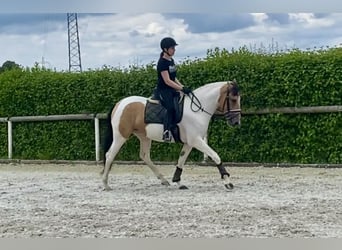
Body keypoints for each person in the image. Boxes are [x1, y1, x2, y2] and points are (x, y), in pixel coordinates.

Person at [155, 37, 191, 142]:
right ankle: (166, 131)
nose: (174, 50)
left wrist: (182, 87)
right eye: (172, 48)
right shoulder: (162, 62)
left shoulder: (171, 61)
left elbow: (173, 78)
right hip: (164, 90)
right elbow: (167, 80)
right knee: (170, 108)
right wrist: (181, 88)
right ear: (165, 49)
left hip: (172, 89)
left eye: (174, 48)